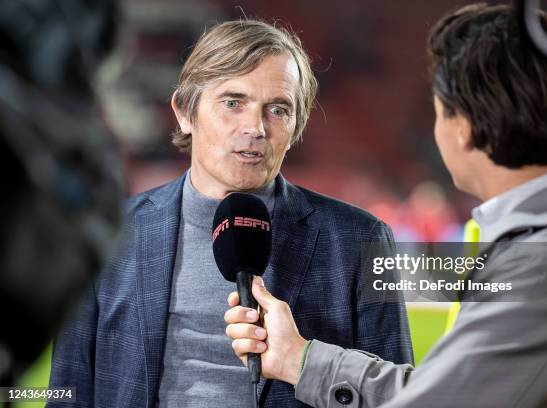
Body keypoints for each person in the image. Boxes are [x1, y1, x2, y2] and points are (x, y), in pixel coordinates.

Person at [224, 4, 547, 407]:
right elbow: (457, 393)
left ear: (462, 128)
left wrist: (301, 361)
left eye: (438, 110)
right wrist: (299, 359)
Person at [48, 20, 412, 407]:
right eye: (233, 103)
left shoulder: (360, 237)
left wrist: (302, 359)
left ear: (296, 127)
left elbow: (402, 399)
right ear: (185, 112)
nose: (255, 127)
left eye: (278, 109)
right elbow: (67, 391)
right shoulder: (107, 231)